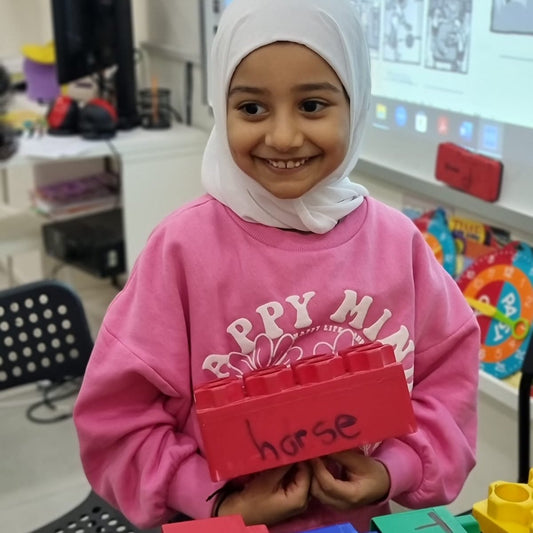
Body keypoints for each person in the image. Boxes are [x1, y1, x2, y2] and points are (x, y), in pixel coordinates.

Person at [73, 0, 480, 531]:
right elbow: (116, 420)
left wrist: (391, 469)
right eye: (252, 109)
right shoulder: (183, 250)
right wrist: (215, 501)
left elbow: (448, 382)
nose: (284, 137)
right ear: (223, 108)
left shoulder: (397, 243)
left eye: (313, 105)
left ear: (355, 106)